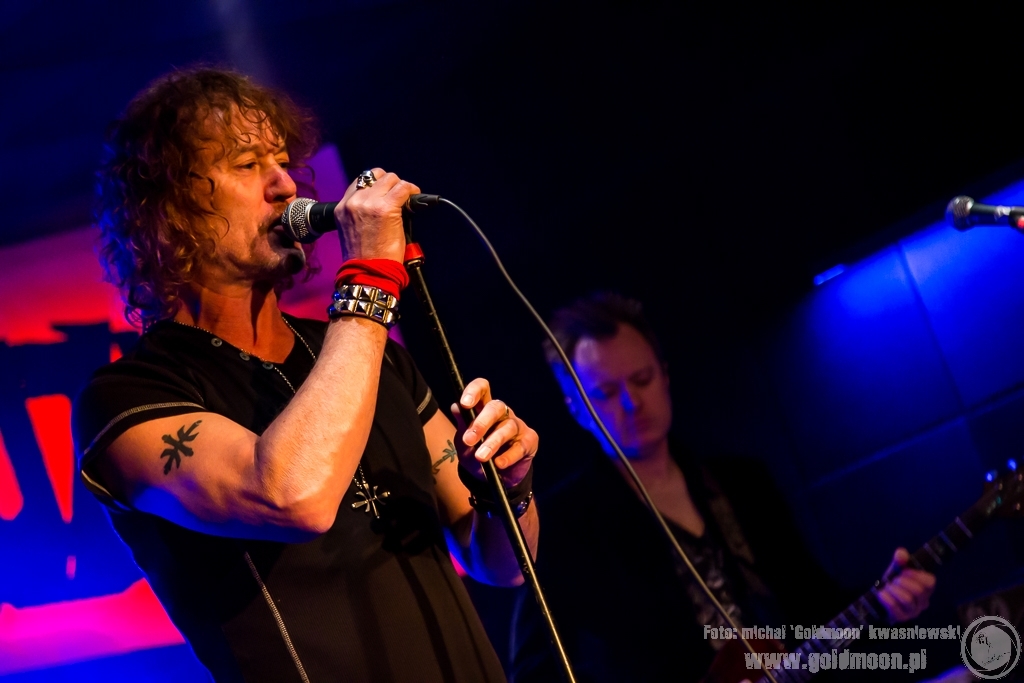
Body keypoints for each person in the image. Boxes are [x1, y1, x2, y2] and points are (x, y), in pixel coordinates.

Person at [72, 67, 539, 683]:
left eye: (284, 162)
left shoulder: (372, 356)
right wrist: (370, 279)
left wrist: (509, 487)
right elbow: (293, 496)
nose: (286, 184)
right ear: (168, 209)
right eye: (247, 164)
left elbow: (500, 564)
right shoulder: (128, 398)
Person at [509, 292, 936, 683]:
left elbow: (813, 608)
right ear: (576, 408)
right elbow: (533, 672)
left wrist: (881, 602)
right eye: (605, 392)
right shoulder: (560, 527)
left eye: (642, 379)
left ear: (665, 375)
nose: (631, 402)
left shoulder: (743, 483)